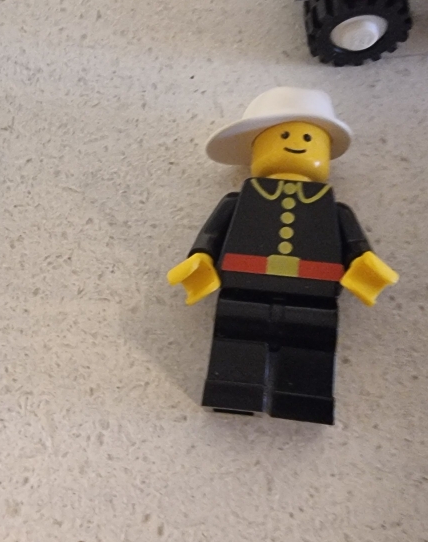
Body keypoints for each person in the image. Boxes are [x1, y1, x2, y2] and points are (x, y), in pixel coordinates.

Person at [168, 87, 398, 425]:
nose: (297, 143)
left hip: (315, 293)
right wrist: (201, 258)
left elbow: (355, 244)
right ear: (257, 149)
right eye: (285, 136)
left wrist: (364, 262)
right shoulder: (239, 200)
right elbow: (212, 235)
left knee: (311, 343)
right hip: (244, 286)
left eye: (308, 138)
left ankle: (303, 398)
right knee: (237, 335)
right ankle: (232, 389)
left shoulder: (334, 209)